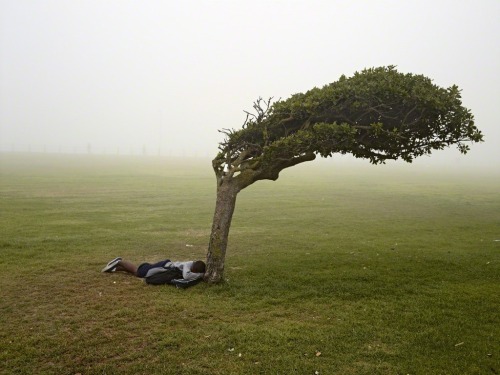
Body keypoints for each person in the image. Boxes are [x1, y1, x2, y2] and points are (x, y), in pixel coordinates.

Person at [101, 257, 206, 282]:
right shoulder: (188, 265)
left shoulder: (193, 266)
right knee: (138, 271)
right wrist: (201, 276)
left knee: (137, 273)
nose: (193, 274)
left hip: (164, 266)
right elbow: (186, 276)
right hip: (162, 266)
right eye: (194, 272)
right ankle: (120, 261)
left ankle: (115, 269)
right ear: (193, 268)